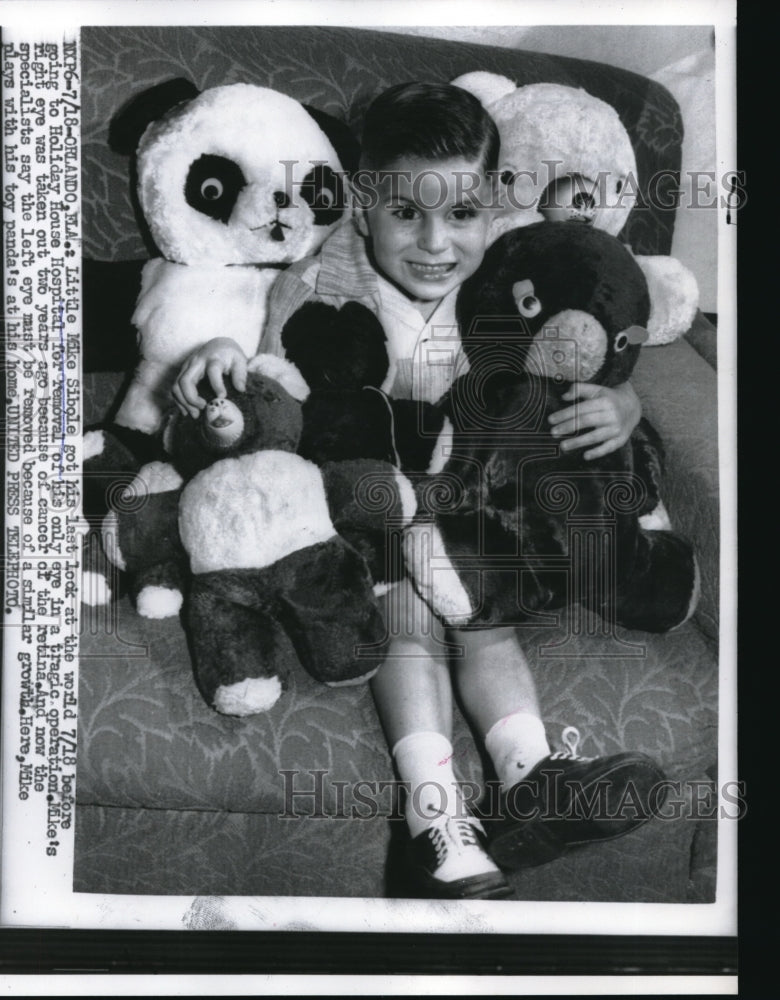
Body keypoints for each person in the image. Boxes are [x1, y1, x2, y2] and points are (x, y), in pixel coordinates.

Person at [173, 82, 659, 901]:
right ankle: (431, 824)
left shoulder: (515, 268)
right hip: (363, 504)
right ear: (363, 205)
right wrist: (216, 359)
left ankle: (530, 779)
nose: (436, 243)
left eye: (461, 215)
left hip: (472, 510)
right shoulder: (315, 280)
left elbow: (604, 336)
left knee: (488, 621)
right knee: (408, 620)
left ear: (494, 207)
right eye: (407, 215)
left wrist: (626, 399)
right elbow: (257, 376)